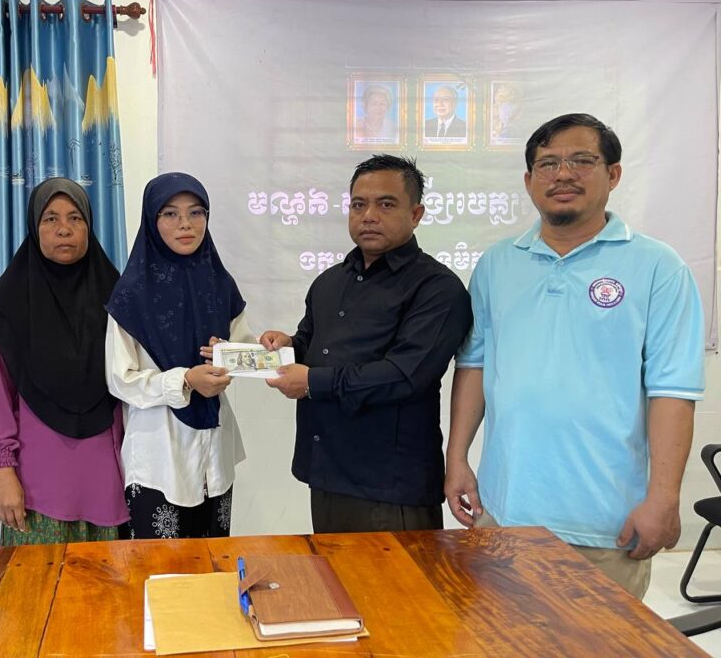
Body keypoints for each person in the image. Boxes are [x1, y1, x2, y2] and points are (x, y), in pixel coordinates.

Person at [444, 113, 704, 600]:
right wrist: (456, 457)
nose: (563, 174)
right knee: (498, 636)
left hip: (606, 527)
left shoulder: (658, 267)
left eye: (582, 160)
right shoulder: (498, 263)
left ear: (614, 174)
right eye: (548, 164)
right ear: (529, 180)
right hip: (504, 514)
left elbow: (672, 390)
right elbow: (474, 365)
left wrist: (664, 498)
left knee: (601, 641)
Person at [260, 154, 472, 533]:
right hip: (326, 469)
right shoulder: (329, 281)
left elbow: (404, 376)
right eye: (359, 205)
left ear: (416, 214)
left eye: (385, 204)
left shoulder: (437, 289)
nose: (369, 216)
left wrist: (311, 382)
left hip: (389, 484)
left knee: (396, 576)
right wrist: (288, 345)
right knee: (331, 573)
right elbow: (314, 343)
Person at [0, 178, 128, 544]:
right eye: (50, 219)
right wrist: (3, 472)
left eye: (75, 218)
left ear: (89, 226)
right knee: (34, 579)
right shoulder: (8, 305)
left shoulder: (118, 298)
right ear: (34, 227)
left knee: (105, 579)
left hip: (107, 477)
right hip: (34, 484)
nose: (64, 229)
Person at [106, 173, 254, 539]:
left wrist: (229, 357)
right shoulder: (131, 293)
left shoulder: (220, 283)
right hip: (159, 457)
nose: (185, 224)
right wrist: (185, 379)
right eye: (170, 213)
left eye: (196, 212)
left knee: (212, 563)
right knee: (158, 568)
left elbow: (242, 349)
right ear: (152, 220)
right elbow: (120, 378)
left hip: (215, 456)